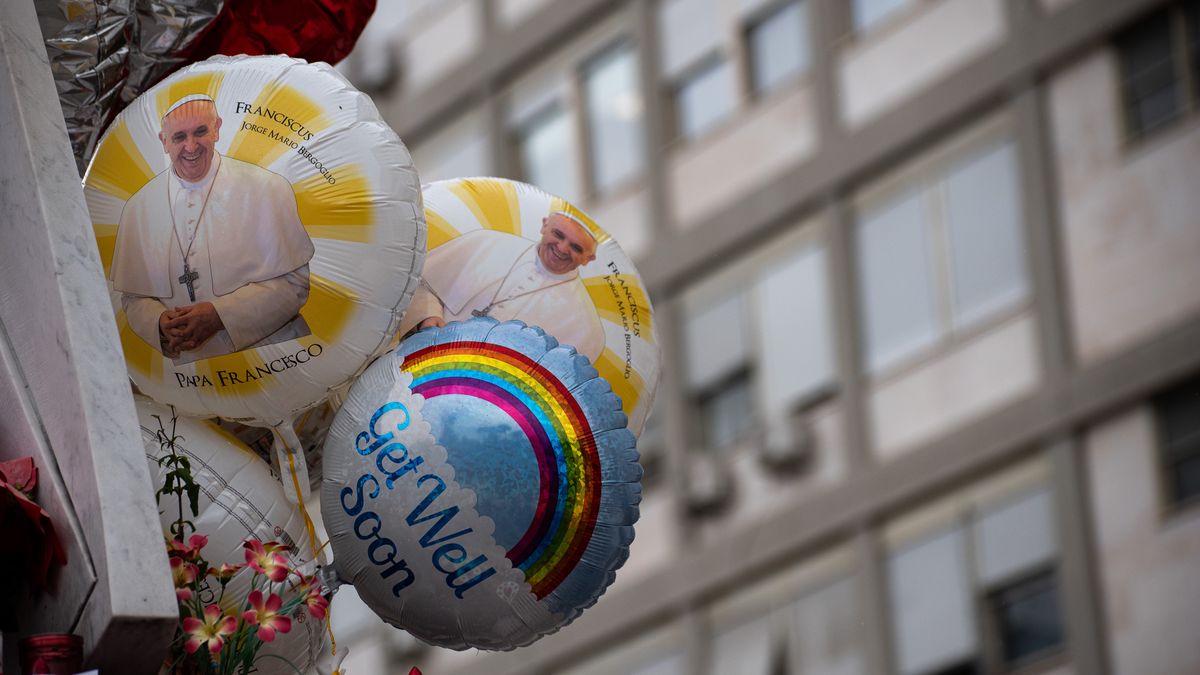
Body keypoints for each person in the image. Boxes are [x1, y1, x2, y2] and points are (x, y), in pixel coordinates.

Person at [110, 94, 315, 365]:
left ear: (217, 128)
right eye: (179, 137)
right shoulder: (138, 207)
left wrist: (220, 315)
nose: (191, 146)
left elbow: (294, 284)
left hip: (273, 358)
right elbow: (134, 297)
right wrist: (159, 322)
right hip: (191, 374)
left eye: (200, 132)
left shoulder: (267, 187)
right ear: (164, 141)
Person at [399, 211, 605, 362]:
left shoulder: (586, 327)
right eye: (558, 234)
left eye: (576, 247)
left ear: (589, 258)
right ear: (544, 225)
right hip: (417, 354)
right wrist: (427, 315)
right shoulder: (484, 242)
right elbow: (419, 281)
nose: (561, 248)